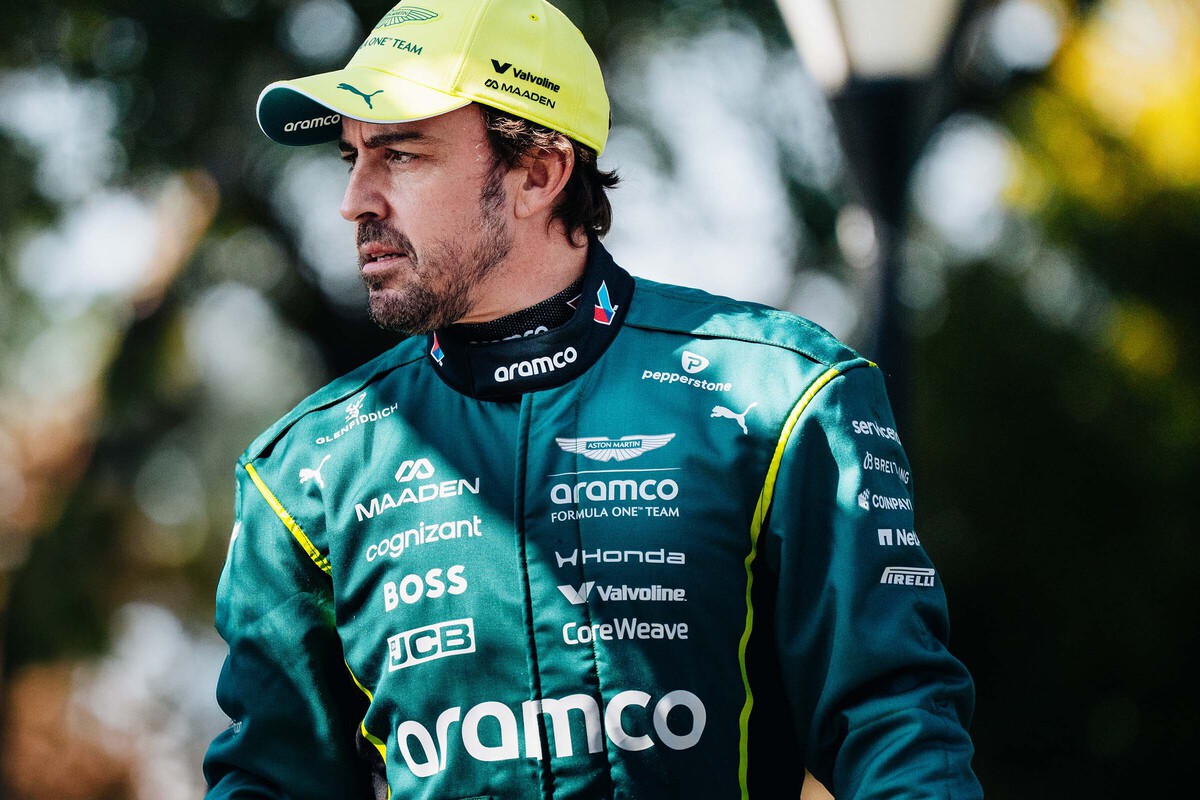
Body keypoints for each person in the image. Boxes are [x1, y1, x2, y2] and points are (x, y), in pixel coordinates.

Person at [203, 1, 983, 798]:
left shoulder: (786, 398)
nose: (354, 200)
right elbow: (266, 780)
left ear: (539, 173)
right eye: (352, 158)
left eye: (399, 154)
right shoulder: (301, 474)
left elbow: (899, 732)